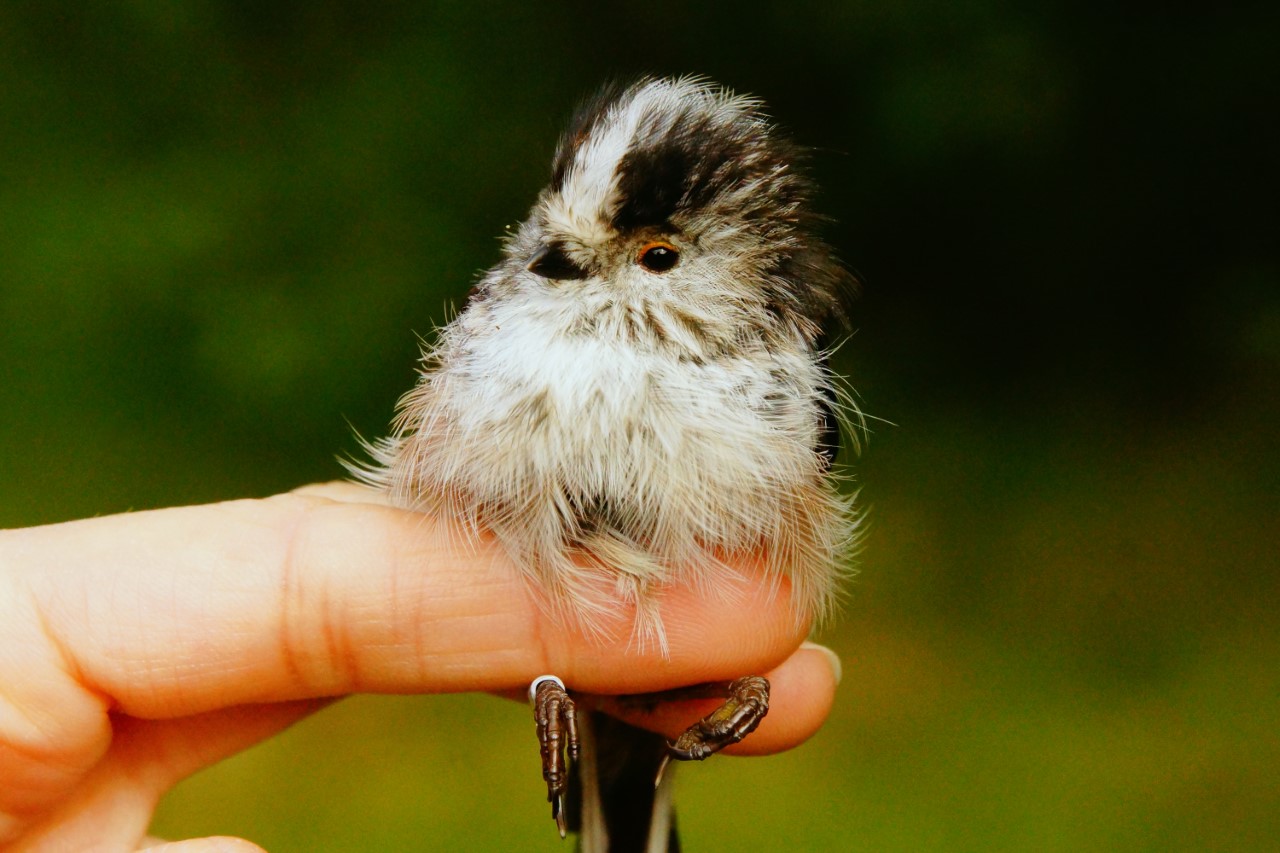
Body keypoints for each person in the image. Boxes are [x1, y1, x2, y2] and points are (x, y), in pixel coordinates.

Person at [0, 481, 841, 851]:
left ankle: (657, 755)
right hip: (525, 632)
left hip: (694, 655)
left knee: (725, 652)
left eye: (653, 254)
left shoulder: (783, 367)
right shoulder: (509, 328)